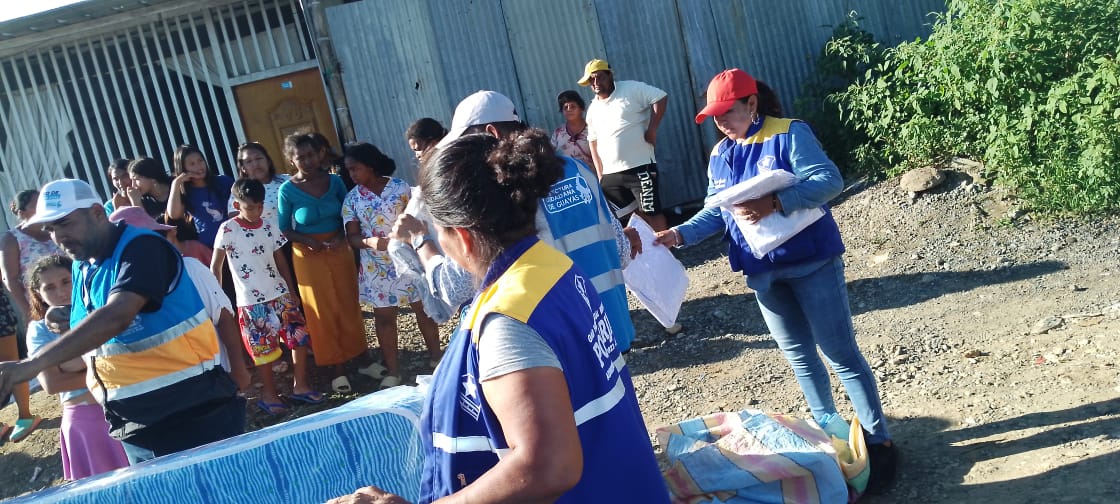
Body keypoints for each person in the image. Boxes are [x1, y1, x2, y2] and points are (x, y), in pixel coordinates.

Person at [330, 130, 669, 504]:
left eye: (437, 232)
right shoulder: (552, 266)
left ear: (462, 238)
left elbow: (549, 466)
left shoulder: (507, 321)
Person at [654, 68, 897, 493]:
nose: (721, 123)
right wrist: (677, 234)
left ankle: (879, 443)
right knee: (799, 357)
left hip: (812, 262)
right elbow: (717, 211)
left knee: (839, 352)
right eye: (715, 117)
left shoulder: (789, 133)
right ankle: (831, 436)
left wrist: (777, 201)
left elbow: (829, 180)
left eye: (728, 113)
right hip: (762, 273)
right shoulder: (721, 154)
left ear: (752, 103)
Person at [0, 179, 245, 464]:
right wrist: (65, 318)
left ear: (97, 213)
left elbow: (118, 315)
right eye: (51, 228)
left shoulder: (142, 247)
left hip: (193, 413)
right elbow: (100, 328)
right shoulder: (82, 265)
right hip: (135, 423)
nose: (59, 236)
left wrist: (32, 365)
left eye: (65, 223)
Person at [395, 90, 638, 351]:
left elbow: (454, 288)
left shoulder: (497, 193)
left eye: (466, 142)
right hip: (609, 333)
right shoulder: (578, 169)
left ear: (491, 133)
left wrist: (419, 239)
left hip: (558, 347)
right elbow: (621, 253)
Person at [108, 206, 251, 393]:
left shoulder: (190, 268)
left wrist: (238, 368)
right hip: (164, 391)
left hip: (211, 379)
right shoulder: (116, 292)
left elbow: (223, 318)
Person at [213, 178, 319, 415]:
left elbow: (280, 259)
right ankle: (269, 395)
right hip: (251, 302)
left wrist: (291, 290)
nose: (256, 212)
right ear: (237, 205)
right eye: (250, 207)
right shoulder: (228, 229)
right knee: (263, 350)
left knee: (298, 337)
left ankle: (300, 385)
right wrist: (217, 297)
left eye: (260, 206)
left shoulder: (269, 226)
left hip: (280, 294)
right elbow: (216, 266)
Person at [342, 142, 442, 388]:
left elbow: (418, 219)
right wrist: (369, 242)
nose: (352, 174)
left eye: (355, 168)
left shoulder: (400, 188)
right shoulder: (352, 199)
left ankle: (437, 359)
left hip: (409, 260)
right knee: (385, 319)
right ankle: (393, 371)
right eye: (349, 170)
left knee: (424, 310)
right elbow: (351, 237)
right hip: (376, 268)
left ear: (370, 165)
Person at [25, 254, 129, 480]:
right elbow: (52, 383)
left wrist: (73, 365)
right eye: (49, 287)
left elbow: (127, 357)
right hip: (86, 422)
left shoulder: (101, 311)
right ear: (38, 293)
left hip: (124, 407)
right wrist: (109, 369)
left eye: (66, 281)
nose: (61, 292)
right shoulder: (39, 330)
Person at [277, 134, 368, 393]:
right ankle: (336, 368)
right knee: (321, 310)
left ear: (319, 155)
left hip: (339, 249)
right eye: (300, 157)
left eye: (311, 155)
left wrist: (341, 237)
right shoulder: (287, 190)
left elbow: (350, 214)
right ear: (291, 160)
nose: (307, 161)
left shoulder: (335, 181)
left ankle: (361, 357)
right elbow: (284, 228)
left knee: (348, 301)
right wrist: (307, 241)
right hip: (308, 256)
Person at [578, 58, 669, 232]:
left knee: (652, 213)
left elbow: (660, 97)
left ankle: (667, 246)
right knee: (630, 218)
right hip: (611, 175)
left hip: (640, 167)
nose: (595, 83)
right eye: (591, 80)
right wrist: (600, 174)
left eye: (599, 77)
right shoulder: (593, 109)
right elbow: (593, 143)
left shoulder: (631, 89)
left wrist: (652, 129)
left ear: (610, 75)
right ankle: (646, 247)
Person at [2, 189, 64, 319]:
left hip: (70, 292)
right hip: (41, 305)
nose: (42, 207)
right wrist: (28, 311)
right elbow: (10, 279)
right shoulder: (12, 239)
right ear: (21, 213)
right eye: (37, 204)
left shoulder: (55, 229)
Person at [166, 144, 234, 249]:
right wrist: (176, 183)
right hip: (210, 247)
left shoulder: (223, 181)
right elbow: (174, 214)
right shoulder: (186, 193)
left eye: (200, 161)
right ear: (183, 168)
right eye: (192, 164)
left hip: (234, 240)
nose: (199, 166)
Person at [226, 142, 289, 227]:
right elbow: (236, 221)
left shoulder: (288, 181)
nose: (255, 164)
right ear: (243, 168)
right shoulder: (240, 190)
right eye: (249, 161)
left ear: (268, 161)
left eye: (258, 158)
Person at [550, 90, 594, 167]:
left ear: (581, 108)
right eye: (565, 107)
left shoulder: (592, 129)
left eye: (573, 106)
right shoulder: (558, 133)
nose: (569, 110)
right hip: (568, 174)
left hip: (592, 173)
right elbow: (550, 155)